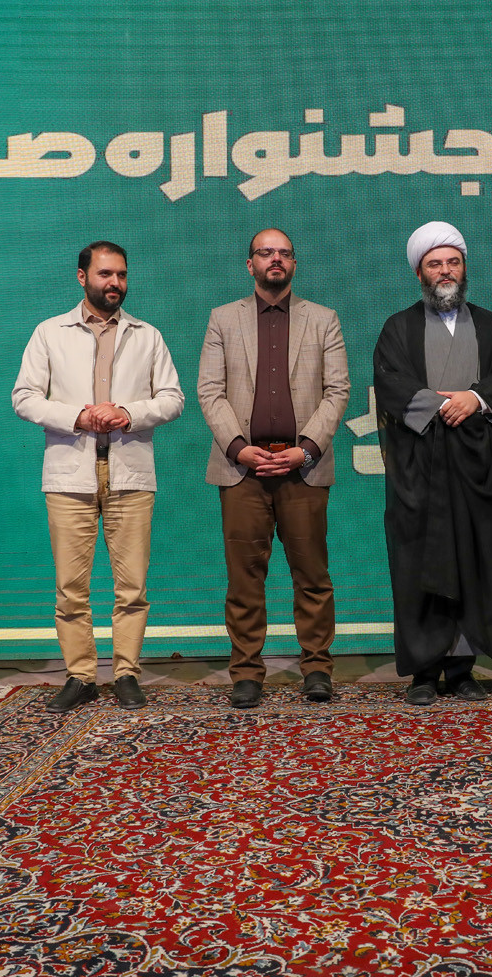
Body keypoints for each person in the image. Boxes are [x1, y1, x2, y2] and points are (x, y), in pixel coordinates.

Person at [12, 241, 183, 712]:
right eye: (105, 274)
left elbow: (173, 398)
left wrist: (127, 412)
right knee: (71, 587)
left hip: (131, 473)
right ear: (82, 277)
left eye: (121, 275)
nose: (115, 283)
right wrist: (78, 417)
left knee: (133, 588)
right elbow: (24, 397)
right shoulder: (50, 332)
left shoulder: (147, 335)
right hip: (70, 476)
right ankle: (81, 676)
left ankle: (126, 673)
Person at [374, 221, 492, 705]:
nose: (445, 271)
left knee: (474, 565)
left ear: (464, 269)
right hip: (420, 472)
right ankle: (423, 672)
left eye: (453, 262)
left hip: (479, 468)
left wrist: (475, 398)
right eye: (435, 263)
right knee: (420, 564)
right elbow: (390, 382)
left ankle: (462, 669)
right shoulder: (398, 328)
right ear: (419, 273)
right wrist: (440, 404)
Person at [197, 229, 350, 710]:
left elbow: (338, 391)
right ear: (251, 265)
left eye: (284, 253)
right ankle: (246, 673)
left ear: (294, 264)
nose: (275, 260)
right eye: (266, 253)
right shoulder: (223, 319)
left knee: (313, 576)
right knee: (245, 580)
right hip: (242, 470)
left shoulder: (323, 319)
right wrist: (238, 448)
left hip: (303, 468)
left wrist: (307, 449)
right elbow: (210, 391)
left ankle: (317, 669)